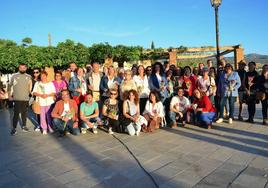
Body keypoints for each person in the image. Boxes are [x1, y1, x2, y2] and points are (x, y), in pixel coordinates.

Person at [8, 63, 32, 135]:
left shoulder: (29, 76)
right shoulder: (14, 76)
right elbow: (9, 86)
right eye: (20, 68)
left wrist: (29, 92)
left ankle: (24, 126)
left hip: (25, 98)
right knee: (16, 114)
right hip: (17, 99)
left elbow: (30, 85)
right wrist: (9, 95)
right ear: (19, 68)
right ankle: (14, 128)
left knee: (24, 113)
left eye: (23, 68)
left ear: (26, 68)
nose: (22, 69)